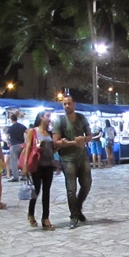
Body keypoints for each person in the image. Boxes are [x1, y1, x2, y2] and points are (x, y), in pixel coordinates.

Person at [53, 96, 93, 229]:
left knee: (87, 184)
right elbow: (56, 141)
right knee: (71, 189)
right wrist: (72, 143)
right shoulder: (60, 121)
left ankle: (78, 207)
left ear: (74, 104)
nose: (66, 106)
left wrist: (84, 139)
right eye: (64, 104)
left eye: (69, 104)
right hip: (67, 159)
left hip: (82, 157)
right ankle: (74, 216)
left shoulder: (81, 118)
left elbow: (89, 136)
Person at [23, 110, 56, 230]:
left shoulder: (50, 133)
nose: (49, 118)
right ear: (41, 117)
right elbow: (28, 147)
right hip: (37, 165)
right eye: (47, 116)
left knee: (46, 192)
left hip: (49, 165)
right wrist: (25, 164)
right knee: (36, 190)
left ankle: (45, 218)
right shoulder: (33, 131)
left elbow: (53, 148)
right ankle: (31, 213)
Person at [6, 113, 26, 182]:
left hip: (14, 145)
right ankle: (24, 175)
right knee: (23, 160)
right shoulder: (22, 126)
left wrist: (8, 142)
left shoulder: (10, 128)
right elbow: (27, 132)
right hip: (22, 145)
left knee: (14, 161)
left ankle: (15, 176)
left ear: (11, 120)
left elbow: (7, 137)